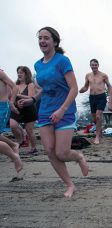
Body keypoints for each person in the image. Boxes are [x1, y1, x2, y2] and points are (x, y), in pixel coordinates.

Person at [21, 26, 89, 198]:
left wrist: (62, 109)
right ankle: (70, 185)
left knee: (62, 153)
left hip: (64, 110)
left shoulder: (62, 61)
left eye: (46, 38)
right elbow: (46, 88)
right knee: (50, 152)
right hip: (45, 110)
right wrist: (33, 99)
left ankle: (79, 156)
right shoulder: (37, 64)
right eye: (40, 38)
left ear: (55, 42)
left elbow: (73, 88)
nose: (42, 41)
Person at [79, 59, 111, 144]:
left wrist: (110, 97)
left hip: (101, 97)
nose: (94, 66)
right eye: (92, 65)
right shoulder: (88, 75)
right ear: (90, 66)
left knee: (98, 116)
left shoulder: (103, 75)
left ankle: (97, 137)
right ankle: (100, 132)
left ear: (98, 65)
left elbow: (109, 86)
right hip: (92, 97)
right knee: (94, 119)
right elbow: (86, 87)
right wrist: (80, 90)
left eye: (95, 65)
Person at [9, 66, 38, 153]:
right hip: (17, 108)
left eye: (21, 72)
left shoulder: (30, 84)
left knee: (29, 130)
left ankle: (33, 148)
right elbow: (11, 98)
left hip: (29, 109)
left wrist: (18, 95)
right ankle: (20, 140)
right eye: (18, 72)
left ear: (26, 74)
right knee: (13, 125)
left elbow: (31, 97)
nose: (19, 74)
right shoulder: (15, 85)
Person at [0, 69, 23, 172]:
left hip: (2, 107)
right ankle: (14, 145)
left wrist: (12, 102)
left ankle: (15, 157)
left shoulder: (0, 72)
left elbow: (14, 87)